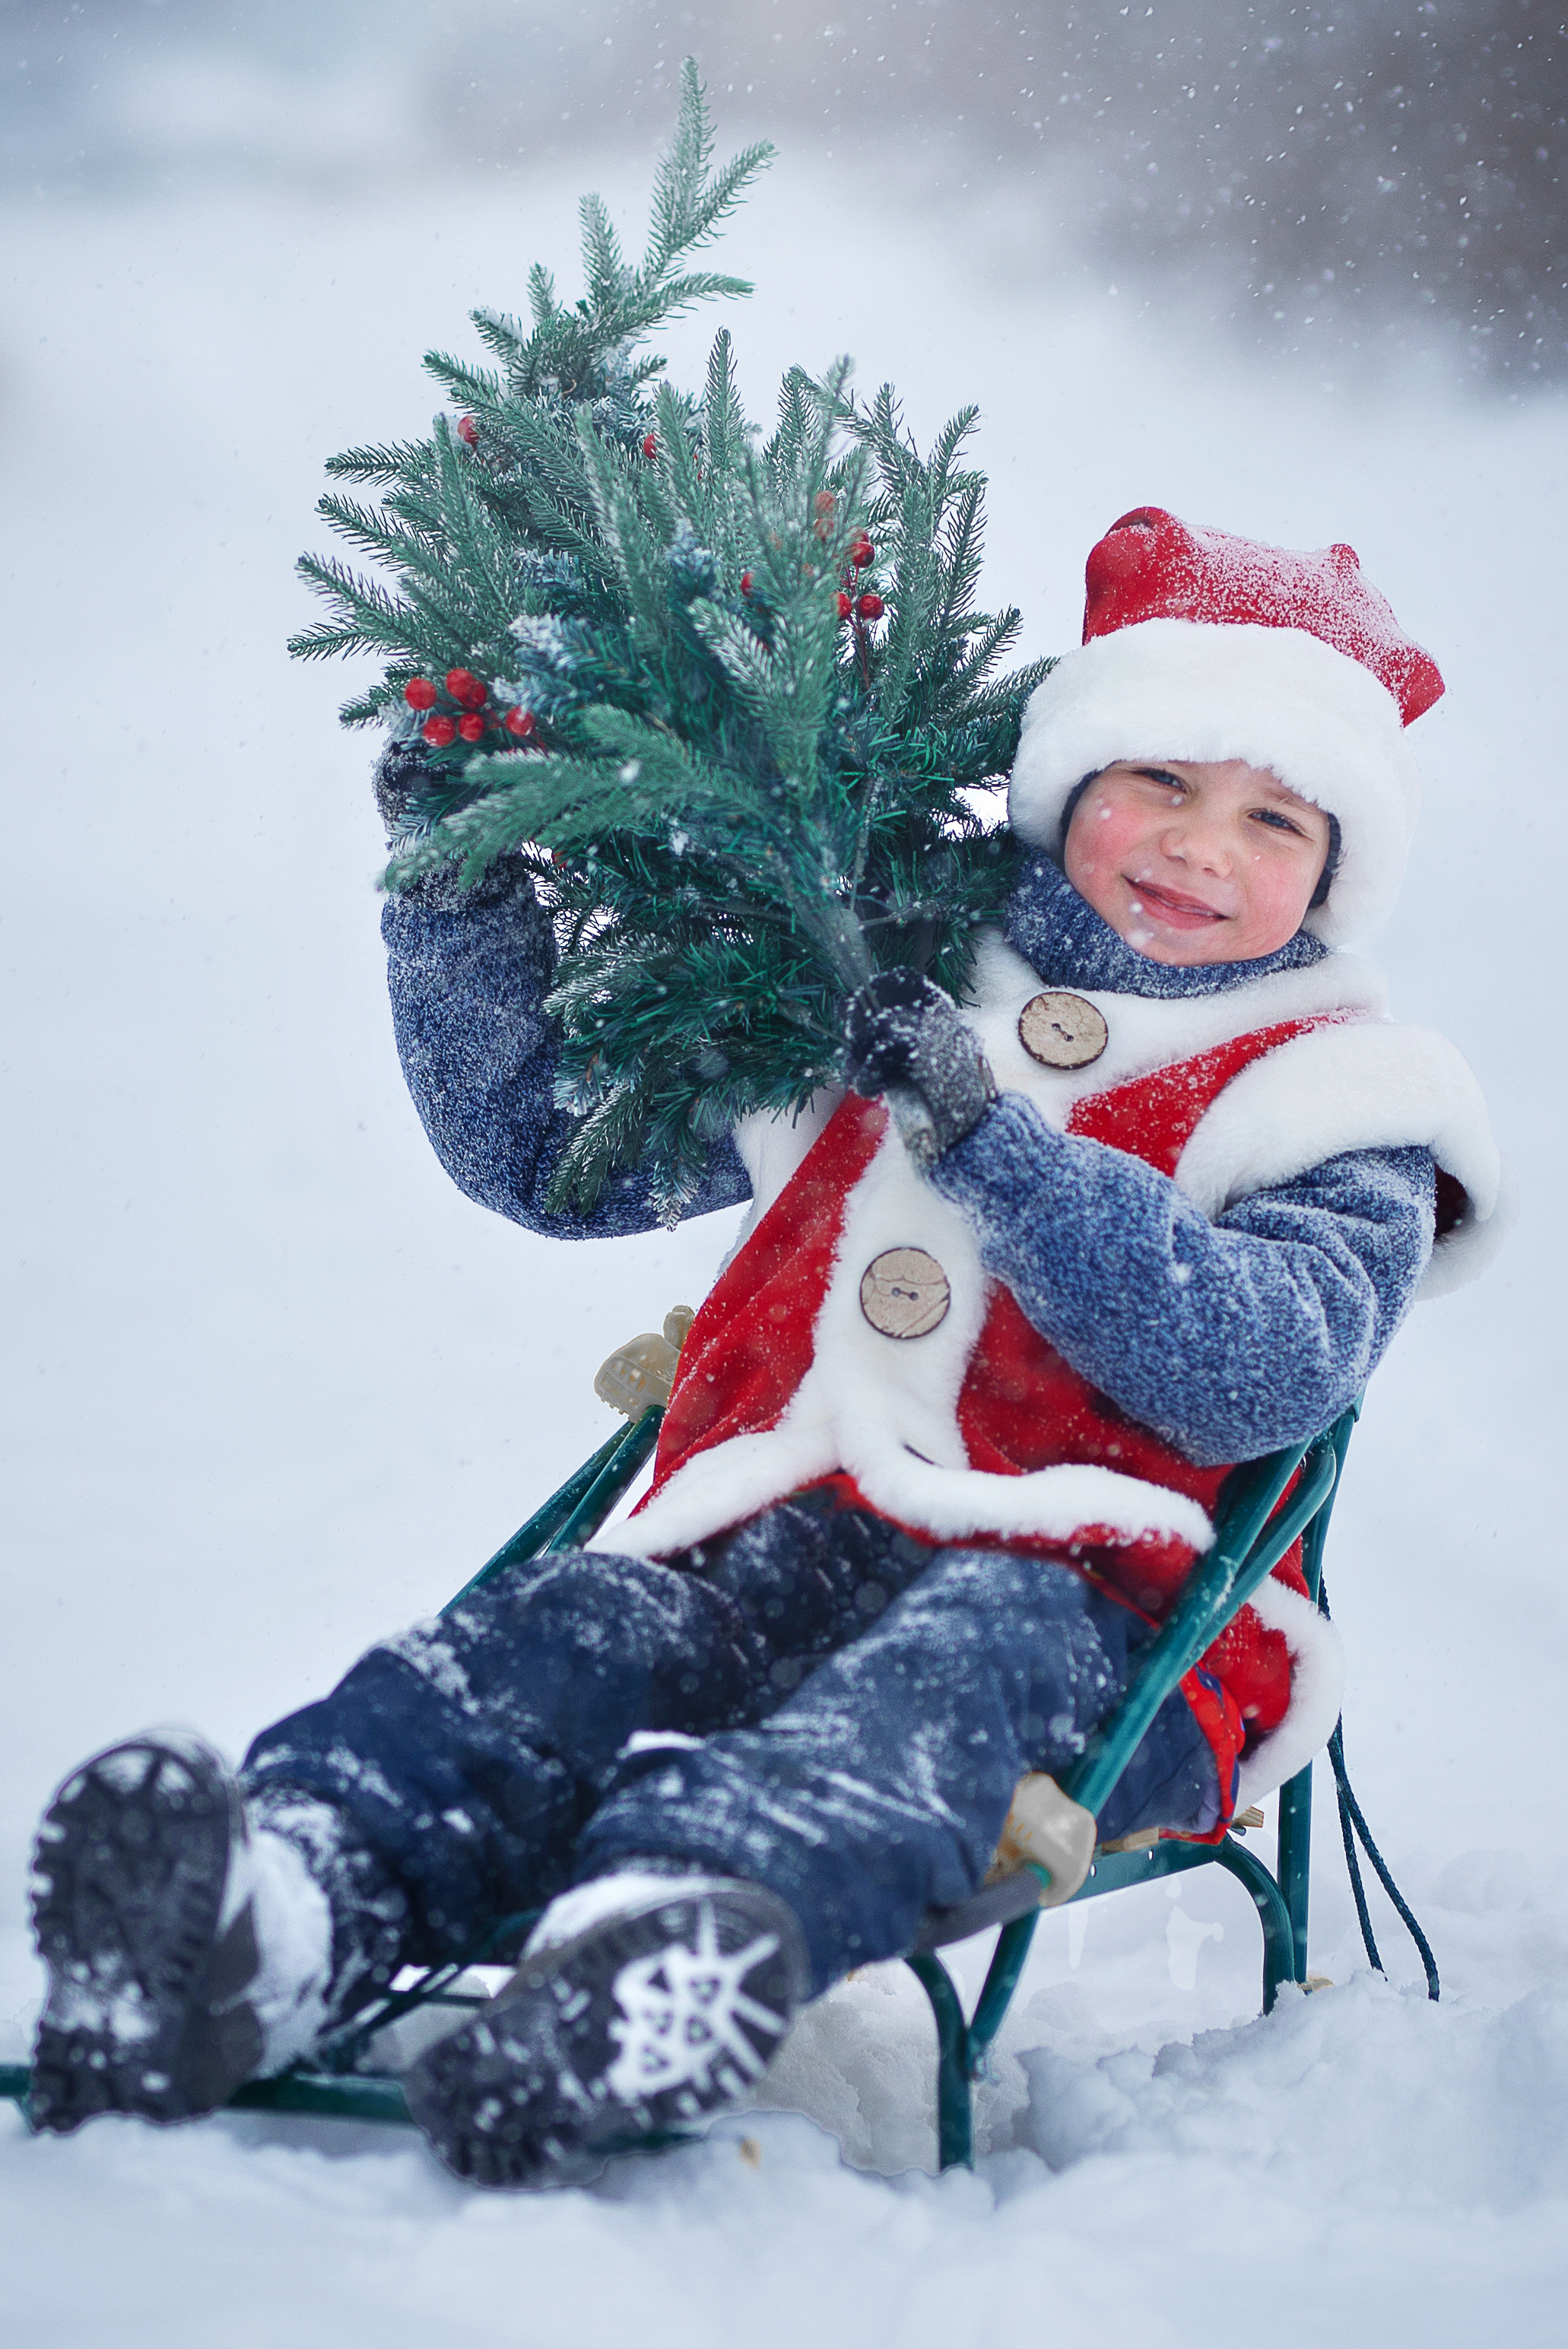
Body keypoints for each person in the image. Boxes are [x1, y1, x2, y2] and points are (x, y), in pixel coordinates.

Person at [28, 507, 1503, 2189]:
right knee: (566, 1632)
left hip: (1108, 1622)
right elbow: (544, 1145)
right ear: (1064, 786)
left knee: (953, 1666)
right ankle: (273, 1902)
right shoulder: (864, 980)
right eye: (1153, 783)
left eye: (1268, 818)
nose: (1196, 846)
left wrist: (996, 1146)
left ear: (1333, 869)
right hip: (767, 1546)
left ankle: (666, 1947)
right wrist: (457, 881)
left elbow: (1257, 1367)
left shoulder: (1332, 1100)